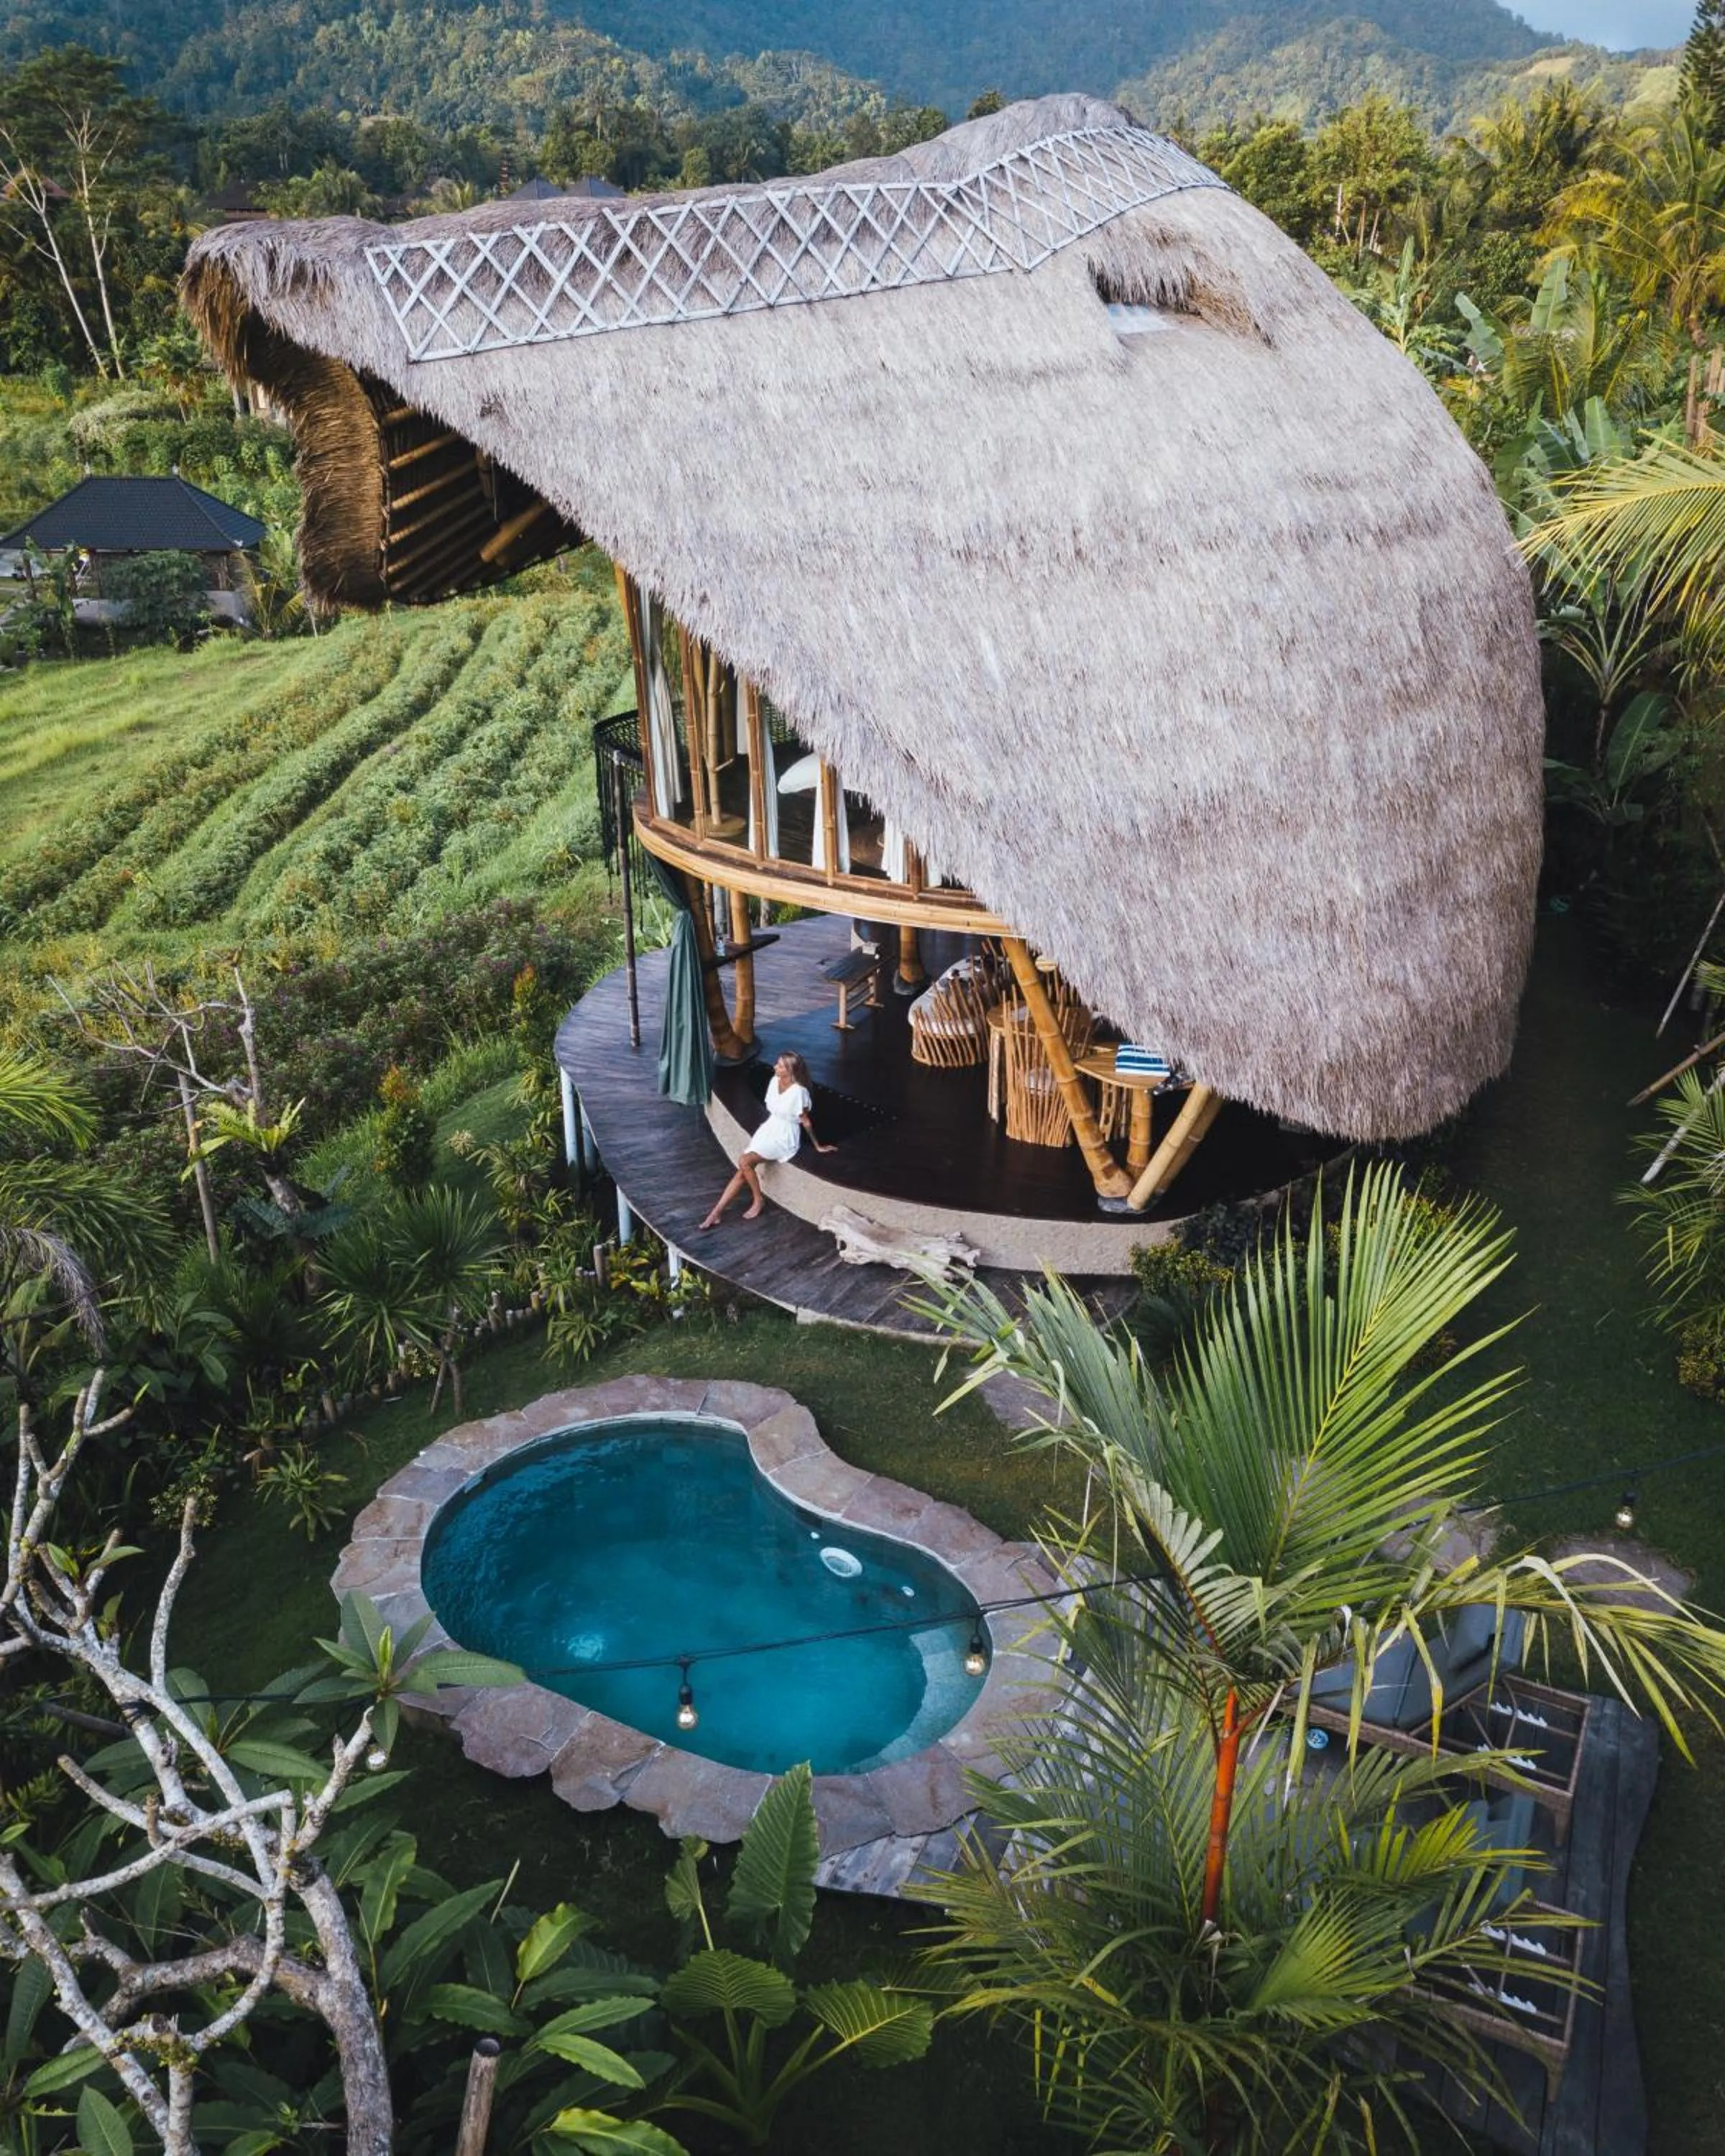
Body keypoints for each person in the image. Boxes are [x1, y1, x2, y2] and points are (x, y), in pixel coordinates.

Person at [699, 1051, 834, 1227]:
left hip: (785, 1136)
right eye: (777, 1064)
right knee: (743, 1169)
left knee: (745, 1161)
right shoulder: (774, 1081)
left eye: (780, 1066)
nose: (775, 1067)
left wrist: (818, 1146)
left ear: (790, 1070)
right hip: (770, 1129)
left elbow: (805, 1121)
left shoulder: (798, 1092)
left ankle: (758, 1200)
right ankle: (716, 1212)